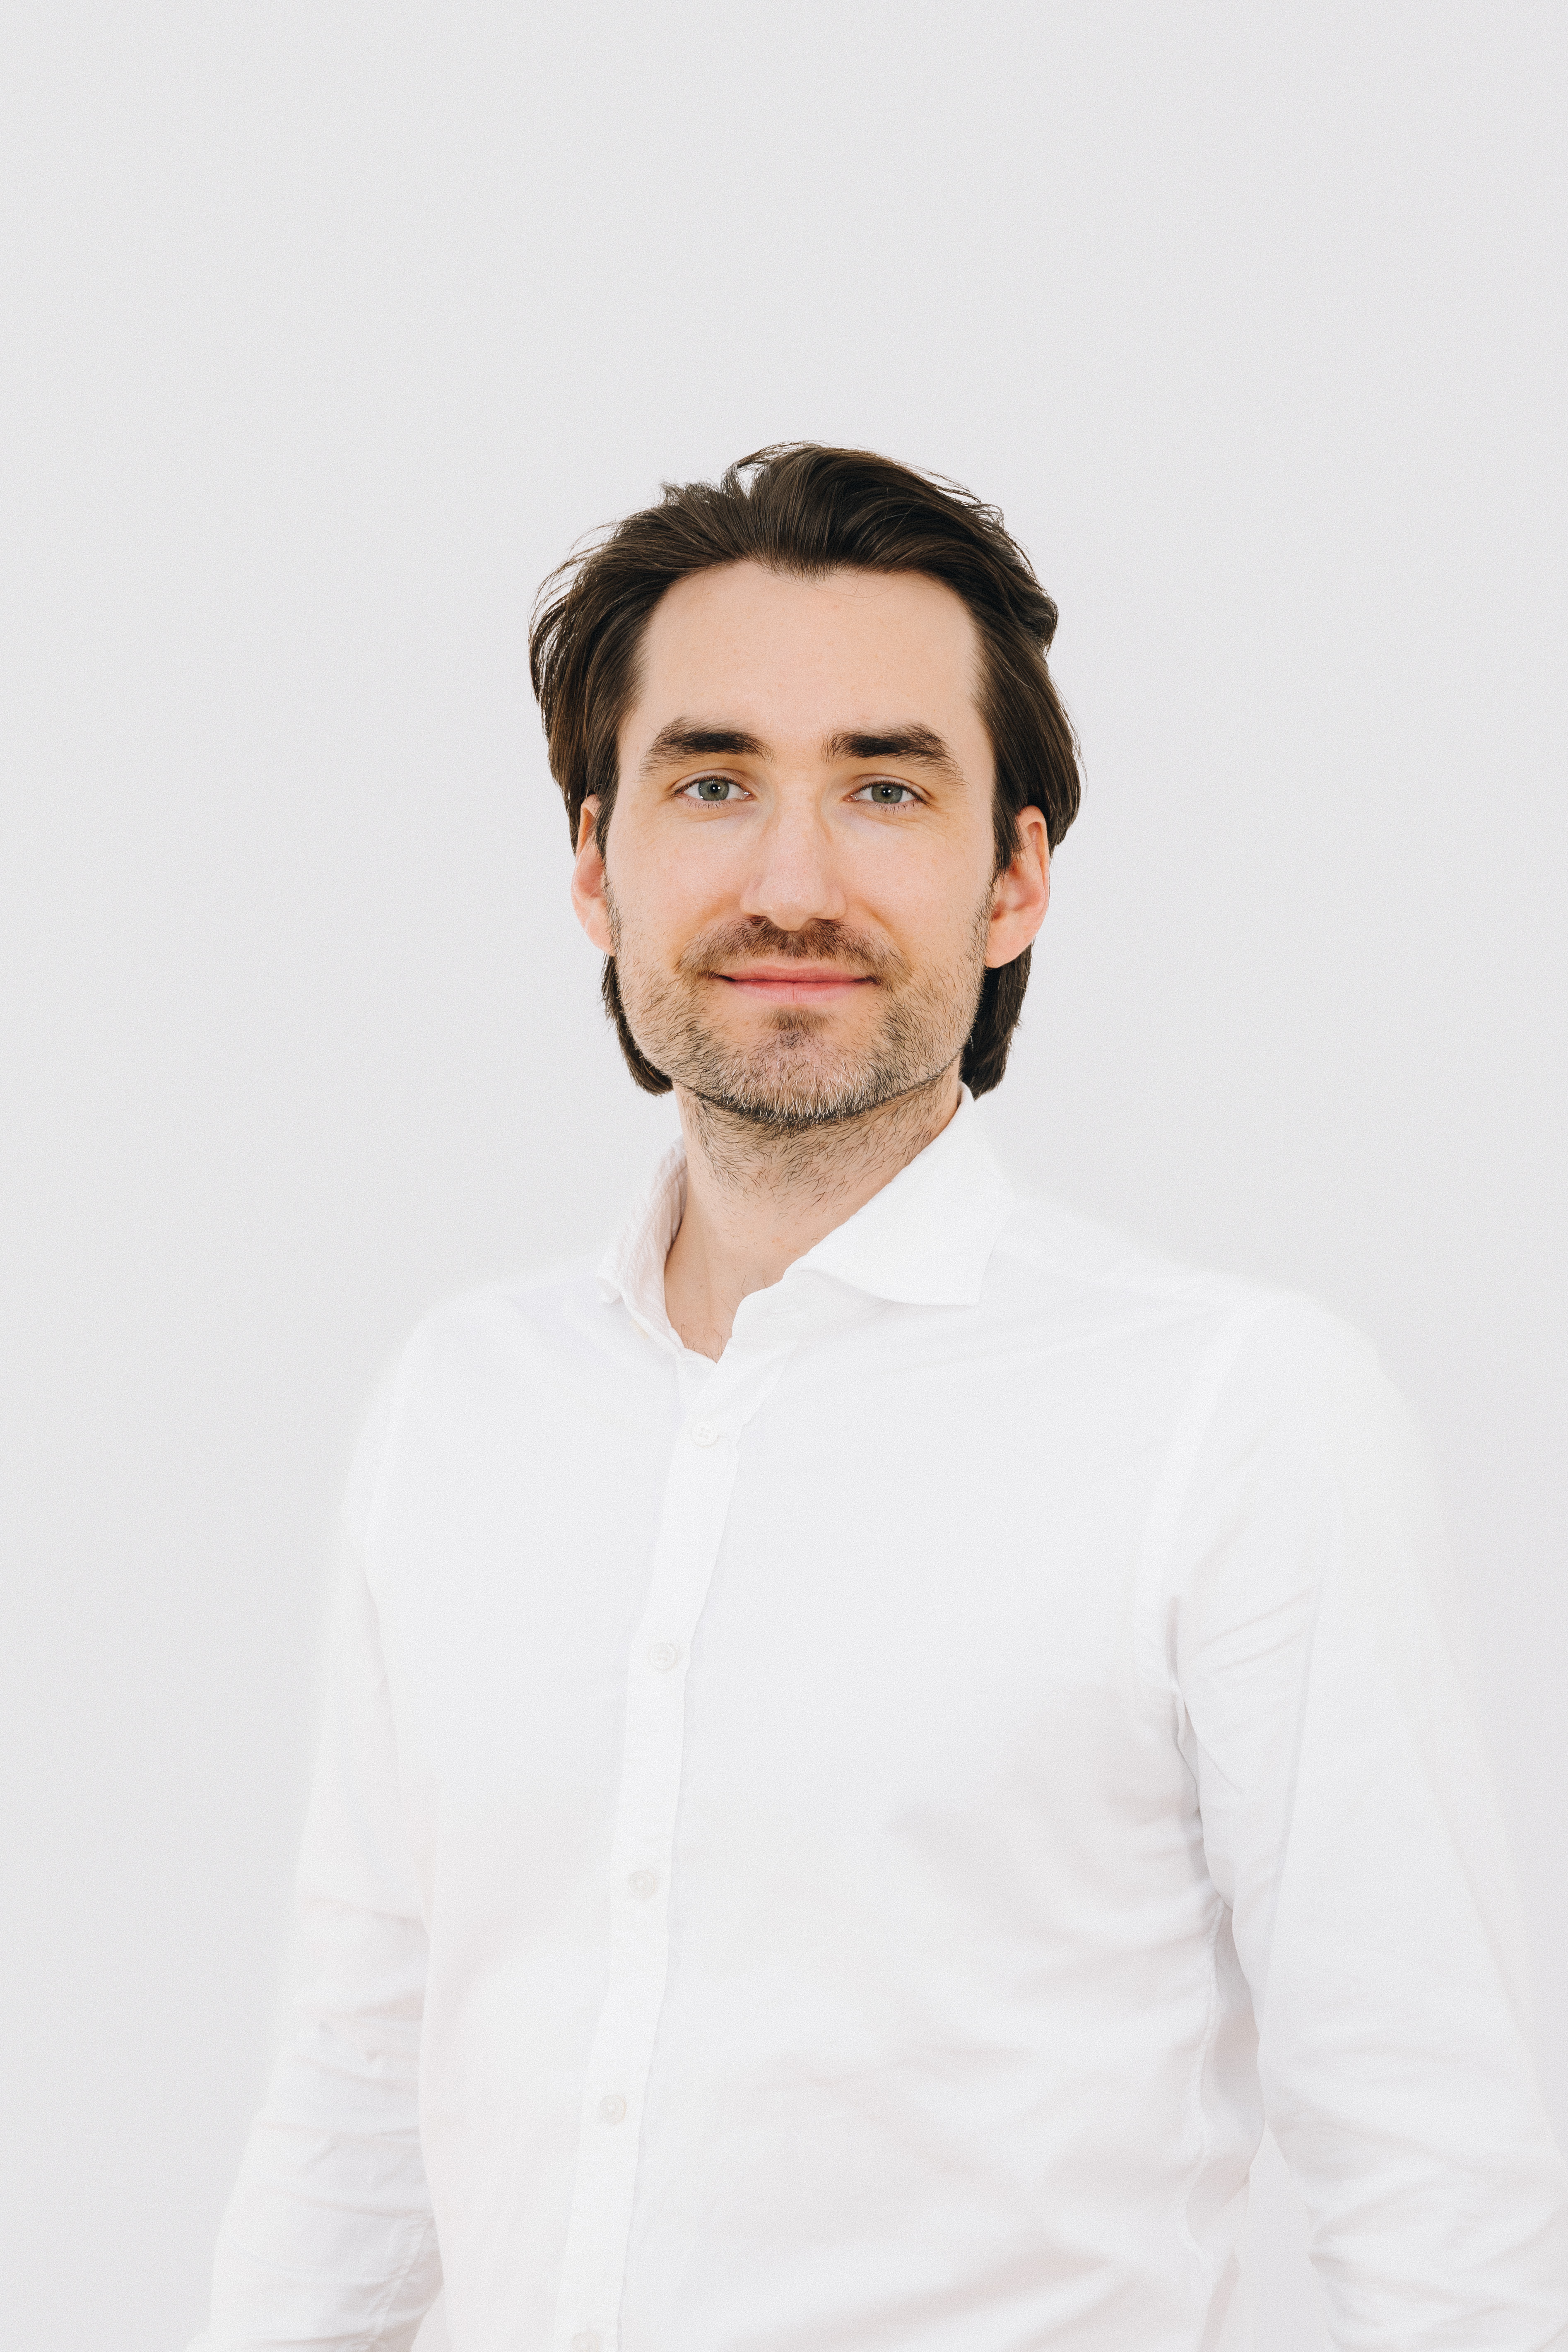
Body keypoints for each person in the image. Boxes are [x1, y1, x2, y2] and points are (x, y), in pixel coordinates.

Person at [193, 445, 1568, 2352]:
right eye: (712, 780)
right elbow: (353, 2115)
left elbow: (1438, 2194)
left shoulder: (1233, 1415)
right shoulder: (464, 1404)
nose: (792, 881)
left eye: (884, 785)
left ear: (1012, 877)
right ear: (594, 862)